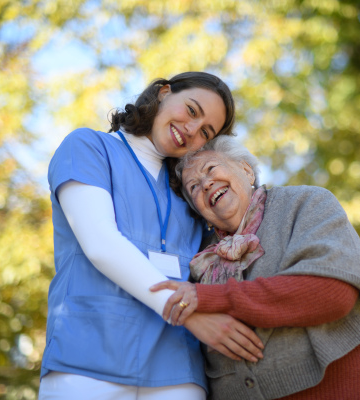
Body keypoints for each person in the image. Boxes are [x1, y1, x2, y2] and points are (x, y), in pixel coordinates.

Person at [38, 72, 264, 400]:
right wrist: (193, 315)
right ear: (163, 92)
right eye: (191, 110)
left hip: (178, 371)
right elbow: (101, 244)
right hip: (86, 361)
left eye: (205, 132)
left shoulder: (191, 193)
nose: (190, 130)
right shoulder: (88, 147)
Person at [151, 136, 360, 399]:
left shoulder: (305, 203)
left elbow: (331, 293)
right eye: (193, 188)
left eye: (211, 169)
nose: (205, 185)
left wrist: (210, 298)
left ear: (246, 170)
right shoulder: (198, 257)